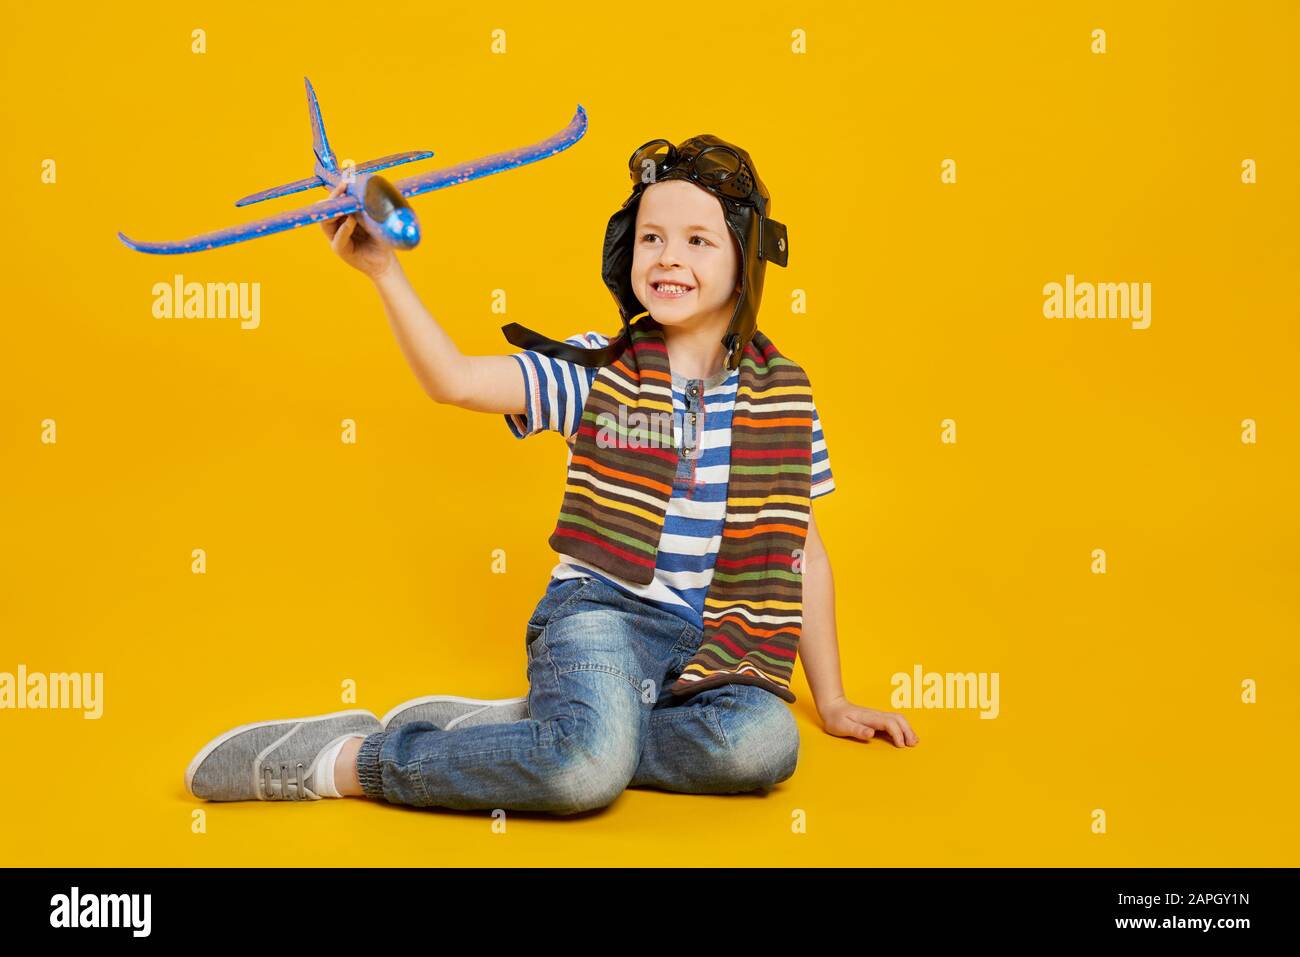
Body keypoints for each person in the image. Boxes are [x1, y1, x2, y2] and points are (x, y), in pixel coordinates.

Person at [184, 134, 918, 812]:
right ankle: (350, 759)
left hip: (714, 642)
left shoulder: (784, 393)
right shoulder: (596, 370)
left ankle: (556, 729)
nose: (668, 257)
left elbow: (803, 553)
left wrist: (836, 699)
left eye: (698, 240)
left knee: (764, 743)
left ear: (744, 260)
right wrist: (385, 272)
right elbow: (455, 379)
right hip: (603, 619)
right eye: (652, 238)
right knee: (583, 776)